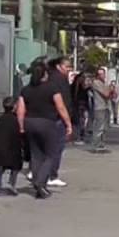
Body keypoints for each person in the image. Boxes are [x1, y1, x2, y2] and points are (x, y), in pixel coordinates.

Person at [16, 60, 73, 199]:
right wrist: (68, 124)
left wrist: (21, 126)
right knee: (51, 154)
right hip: (47, 123)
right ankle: (40, 182)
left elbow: (20, 110)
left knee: (36, 155)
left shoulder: (26, 90)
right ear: (44, 74)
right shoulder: (52, 88)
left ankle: (38, 182)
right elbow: (60, 107)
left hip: (30, 123)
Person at [45, 56, 74, 187]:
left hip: (49, 117)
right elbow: (62, 104)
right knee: (56, 148)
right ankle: (52, 175)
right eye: (66, 67)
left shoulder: (50, 78)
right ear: (58, 66)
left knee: (48, 148)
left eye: (69, 67)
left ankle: (42, 173)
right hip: (58, 118)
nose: (68, 69)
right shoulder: (60, 80)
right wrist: (68, 122)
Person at [0, 96, 23, 196]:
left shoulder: (0, 120)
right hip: (13, 149)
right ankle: (12, 184)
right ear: (14, 107)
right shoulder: (15, 120)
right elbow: (19, 136)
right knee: (15, 165)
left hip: (0, 149)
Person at [89, 67, 117, 151]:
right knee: (99, 127)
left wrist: (112, 90)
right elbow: (106, 94)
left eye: (103, 74)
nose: (102, 75)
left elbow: (112, 95)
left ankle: (102, 143)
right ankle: (95, 144)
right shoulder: (96, 83)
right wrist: (110, 89)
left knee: (105, 127)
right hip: (99, 107)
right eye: (99, 74)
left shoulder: (105, 83)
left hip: (106, 107)